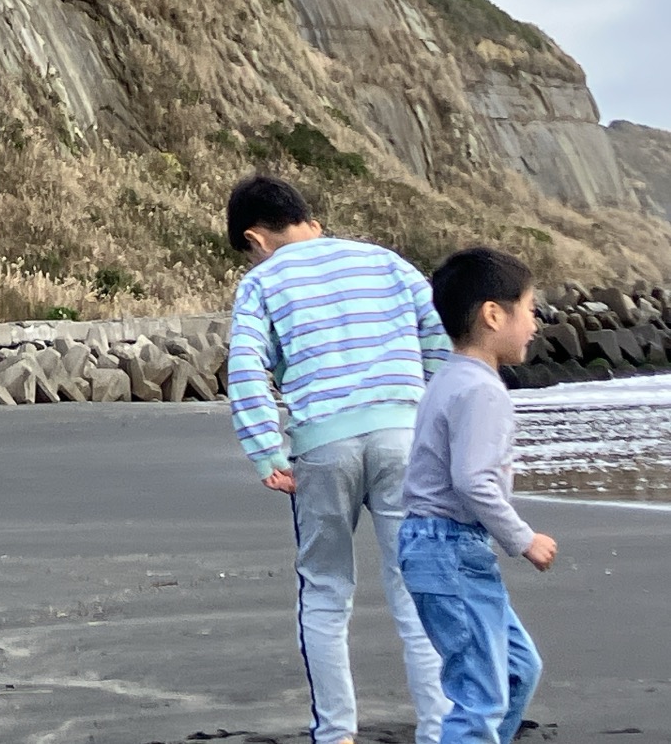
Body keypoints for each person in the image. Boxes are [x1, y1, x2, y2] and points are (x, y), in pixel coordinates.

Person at [226, 174, 452, 744]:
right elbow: (440, 339)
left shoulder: (262, 282)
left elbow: (246, 368)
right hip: (403, 434)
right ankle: (438, 728)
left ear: (255, 238)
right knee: (415, 585)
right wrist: (427, 411)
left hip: (323, 443)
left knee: (325, 590)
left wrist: (266, 451)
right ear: (312, 223)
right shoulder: (387, 263)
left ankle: (336, 732)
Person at [398, 247, 555, 743]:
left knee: (517, 668)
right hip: (448, 548)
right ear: (493, 314)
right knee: (481, 692)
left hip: (441, 547)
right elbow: (473, 481)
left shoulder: (450, 377)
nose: (534, 324)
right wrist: (523, 539)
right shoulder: (481, 390)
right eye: (528, 309)